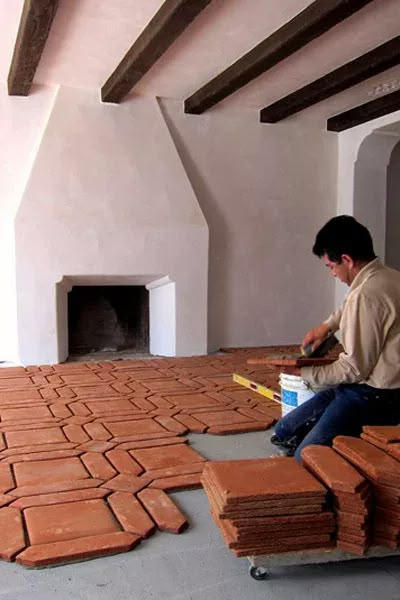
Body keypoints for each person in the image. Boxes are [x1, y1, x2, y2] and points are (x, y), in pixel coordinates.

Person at [271, 215, 400, 462]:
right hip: (365, 388)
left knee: (305, 458)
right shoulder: (388, 276)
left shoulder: (365, 295)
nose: (332, 273)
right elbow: (352, 306)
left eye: (331, 266)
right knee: (284, 431)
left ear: (347, 260)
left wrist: (305, 374)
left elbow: (353, 369)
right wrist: (327, 325)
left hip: (376, 396)